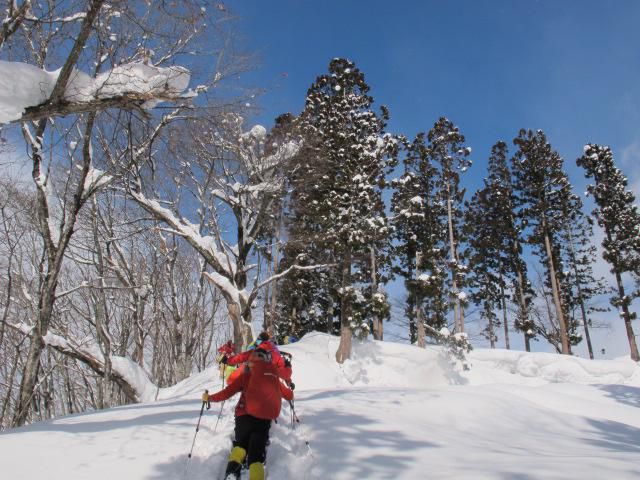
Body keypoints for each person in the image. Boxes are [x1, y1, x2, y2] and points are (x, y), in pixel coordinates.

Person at [205, 348, 294, 480]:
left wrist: (209, 398)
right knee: (256, 453)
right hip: (263, 419)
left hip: (243, 415)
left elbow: (227, 392)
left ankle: (232, 473)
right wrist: (291, 389)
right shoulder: (273, 374)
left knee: (240, 445)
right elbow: (288, 395)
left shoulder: (246, 374)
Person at [220, 331, 292, 384]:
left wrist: (228, 360)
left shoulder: (259, 350)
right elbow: (282, 369)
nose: (256, 342)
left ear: (261, 340)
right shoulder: (276, 352)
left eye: (258, 340)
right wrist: (289, 382)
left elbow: (242, 356)